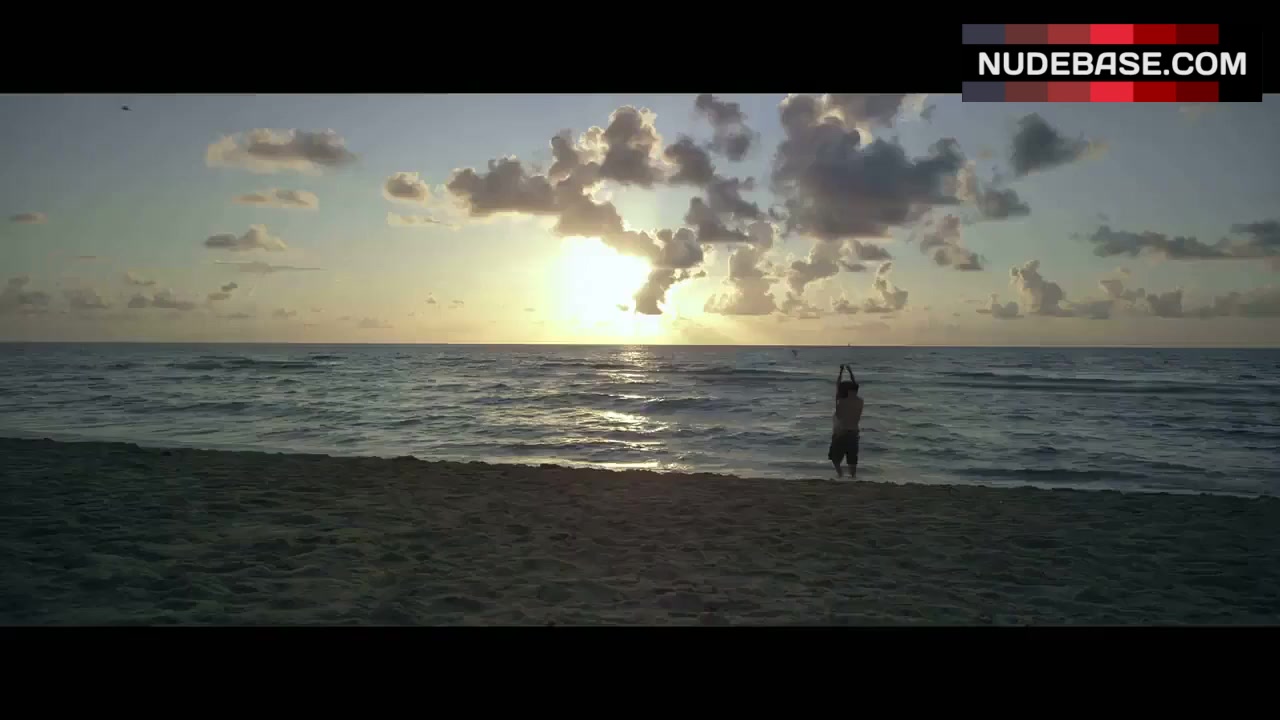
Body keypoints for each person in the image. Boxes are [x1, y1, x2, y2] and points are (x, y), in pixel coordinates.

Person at [829, 364, 864, 478]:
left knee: (835, 457)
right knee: (852, 460)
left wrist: (841, 372)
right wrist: (850, 372)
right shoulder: (859, 401)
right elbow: (855, 386)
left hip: (841, 432)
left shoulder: (840, 401)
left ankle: (840, 475)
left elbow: (838, 385)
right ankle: (852, 478)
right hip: (854, 433)